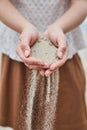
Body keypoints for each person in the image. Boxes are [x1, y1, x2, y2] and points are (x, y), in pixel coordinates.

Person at [0, 0, 87, 130]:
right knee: (23, 120)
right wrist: (25, 27)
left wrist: (59, 27)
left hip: (61, 51)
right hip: (19, 49)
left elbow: (81, 3)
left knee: (67, 117)